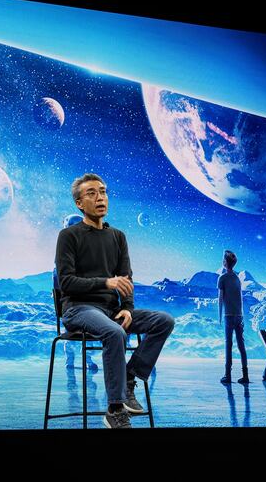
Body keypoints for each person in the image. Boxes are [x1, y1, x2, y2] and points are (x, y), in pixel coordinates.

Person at [55, 173, 175, 429]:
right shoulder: (69, 236)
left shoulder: (118, 237)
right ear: (79, 203)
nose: (100, 197)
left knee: (164, 321)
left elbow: (126, 280)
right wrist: (105, 282)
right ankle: (115, 409)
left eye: (103, 191)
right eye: (92, 193)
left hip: (111, 311)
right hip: (78, 309)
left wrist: (128, 309)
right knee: (114, 333)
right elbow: (66, 282)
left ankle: (130, 378)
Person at [218, 250, 249, 385]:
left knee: (228, 345)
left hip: (228, 315)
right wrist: (241, 315)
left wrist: (219, 316)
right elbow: (240, 298)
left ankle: (227, 375)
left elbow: (220, 299)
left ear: (225, 262)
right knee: (241, 345)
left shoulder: (222, 278)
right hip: (239, 315)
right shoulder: (237, 278)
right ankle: (245, 375)